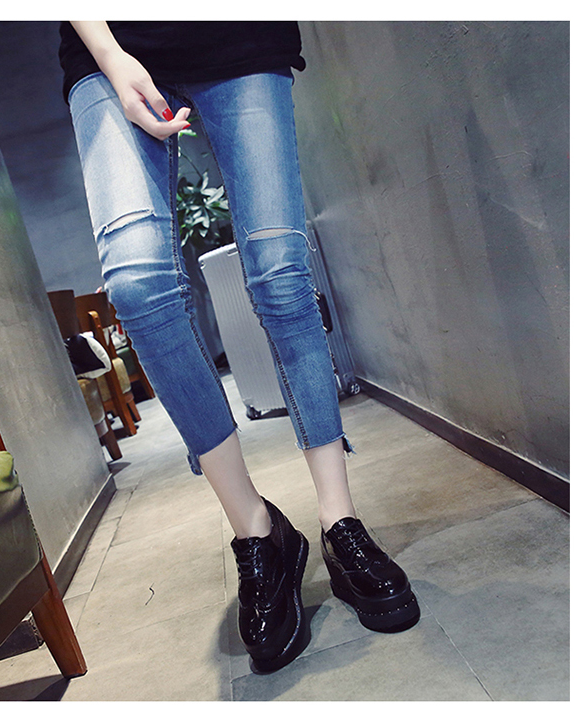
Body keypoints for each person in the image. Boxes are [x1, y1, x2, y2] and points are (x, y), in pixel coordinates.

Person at [59, 21, 420, 673]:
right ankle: (257, 529)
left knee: (281, 271)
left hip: (238, 34)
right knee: (137, 286)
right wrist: (109, 54)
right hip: (109, 44)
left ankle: (339, 523)